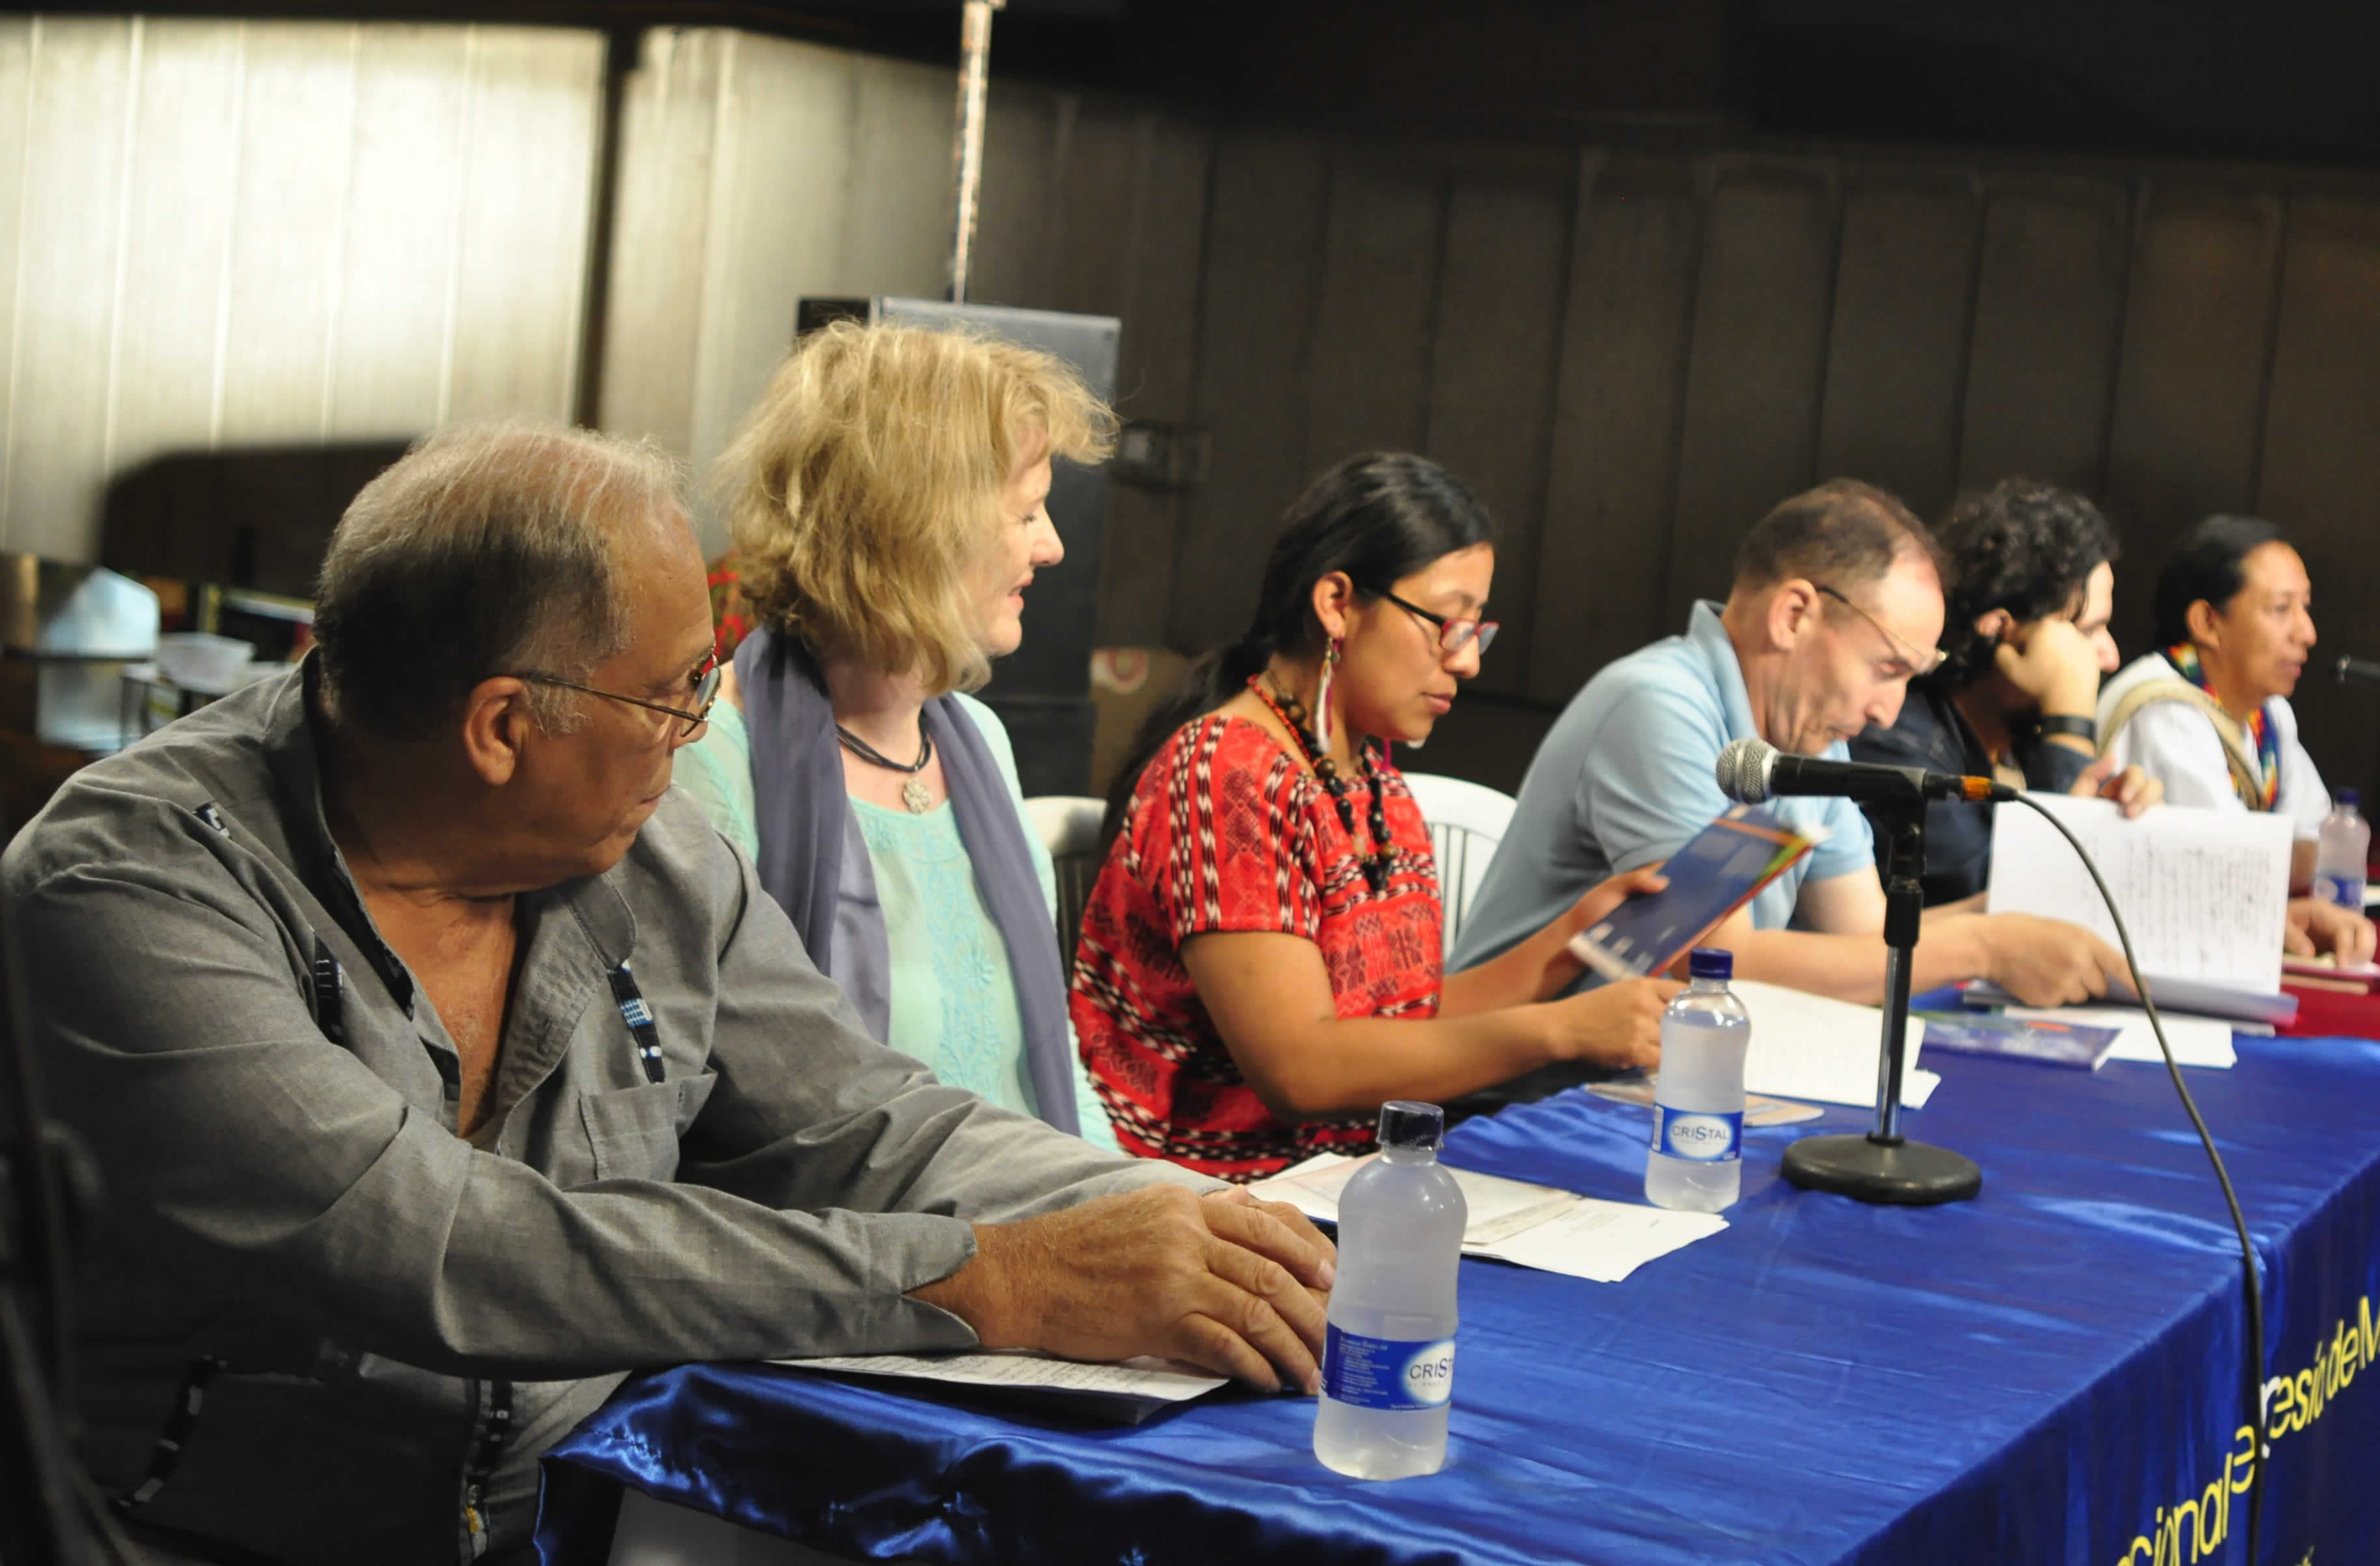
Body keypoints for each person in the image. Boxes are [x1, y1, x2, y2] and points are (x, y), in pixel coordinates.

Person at [3, 426, 1335, 1566]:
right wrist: (984, 1279)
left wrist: (1194, 1223)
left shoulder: (645, 848)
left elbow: (867, 1120)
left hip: (575, 1522)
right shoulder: (127, 885)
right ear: (504, 724)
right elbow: (440, 1245)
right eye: (678, 689)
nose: (704, 723)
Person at [1069, 452, 1673, 1179]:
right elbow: (1303, 1071)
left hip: (1346, 1176)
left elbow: (1402, 1025)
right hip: (1213, 1201)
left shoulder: (1370, 776)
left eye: (1477, 632)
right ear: (1337, 603)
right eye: (1447, 625)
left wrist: (1577, 935)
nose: (1468, 662)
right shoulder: (1229, 772)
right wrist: (1559, 1031)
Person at [678, 322, 1122, 1149]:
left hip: (1037, 1215)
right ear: (915, 529)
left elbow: (1048, 1065)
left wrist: (1143, 1200)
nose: (1052, 544)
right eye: (1026, 512)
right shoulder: (712, 761)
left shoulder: (979, 739)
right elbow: (734, 1110)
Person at [1452, 479, 2132, 1005]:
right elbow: (1711, 961)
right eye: (1886, 668)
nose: (1890, 712)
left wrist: (2030, 908)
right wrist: (1987, 946)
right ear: (1794, 615)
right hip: (1512, 1096)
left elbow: (1863, 937)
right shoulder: (1658, 705)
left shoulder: (1809, 739)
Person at [1847, 479, 2159, 904]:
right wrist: (2068, 722)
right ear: (2000, 632)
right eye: (2088, 632)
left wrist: (2115, 817)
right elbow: (2014, 908)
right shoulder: (1898, 743)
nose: (2109, 656)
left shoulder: (2018, 744)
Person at [2095, 514, 2376, 964]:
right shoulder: (2165, 708)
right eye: (2281, 609)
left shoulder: (2270, 715)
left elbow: (2321, 846)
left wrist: (2263, 855)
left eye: (2306, 607)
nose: (2307, 633)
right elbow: (2229, 873)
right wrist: (2266, 856)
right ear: (2207, 621)